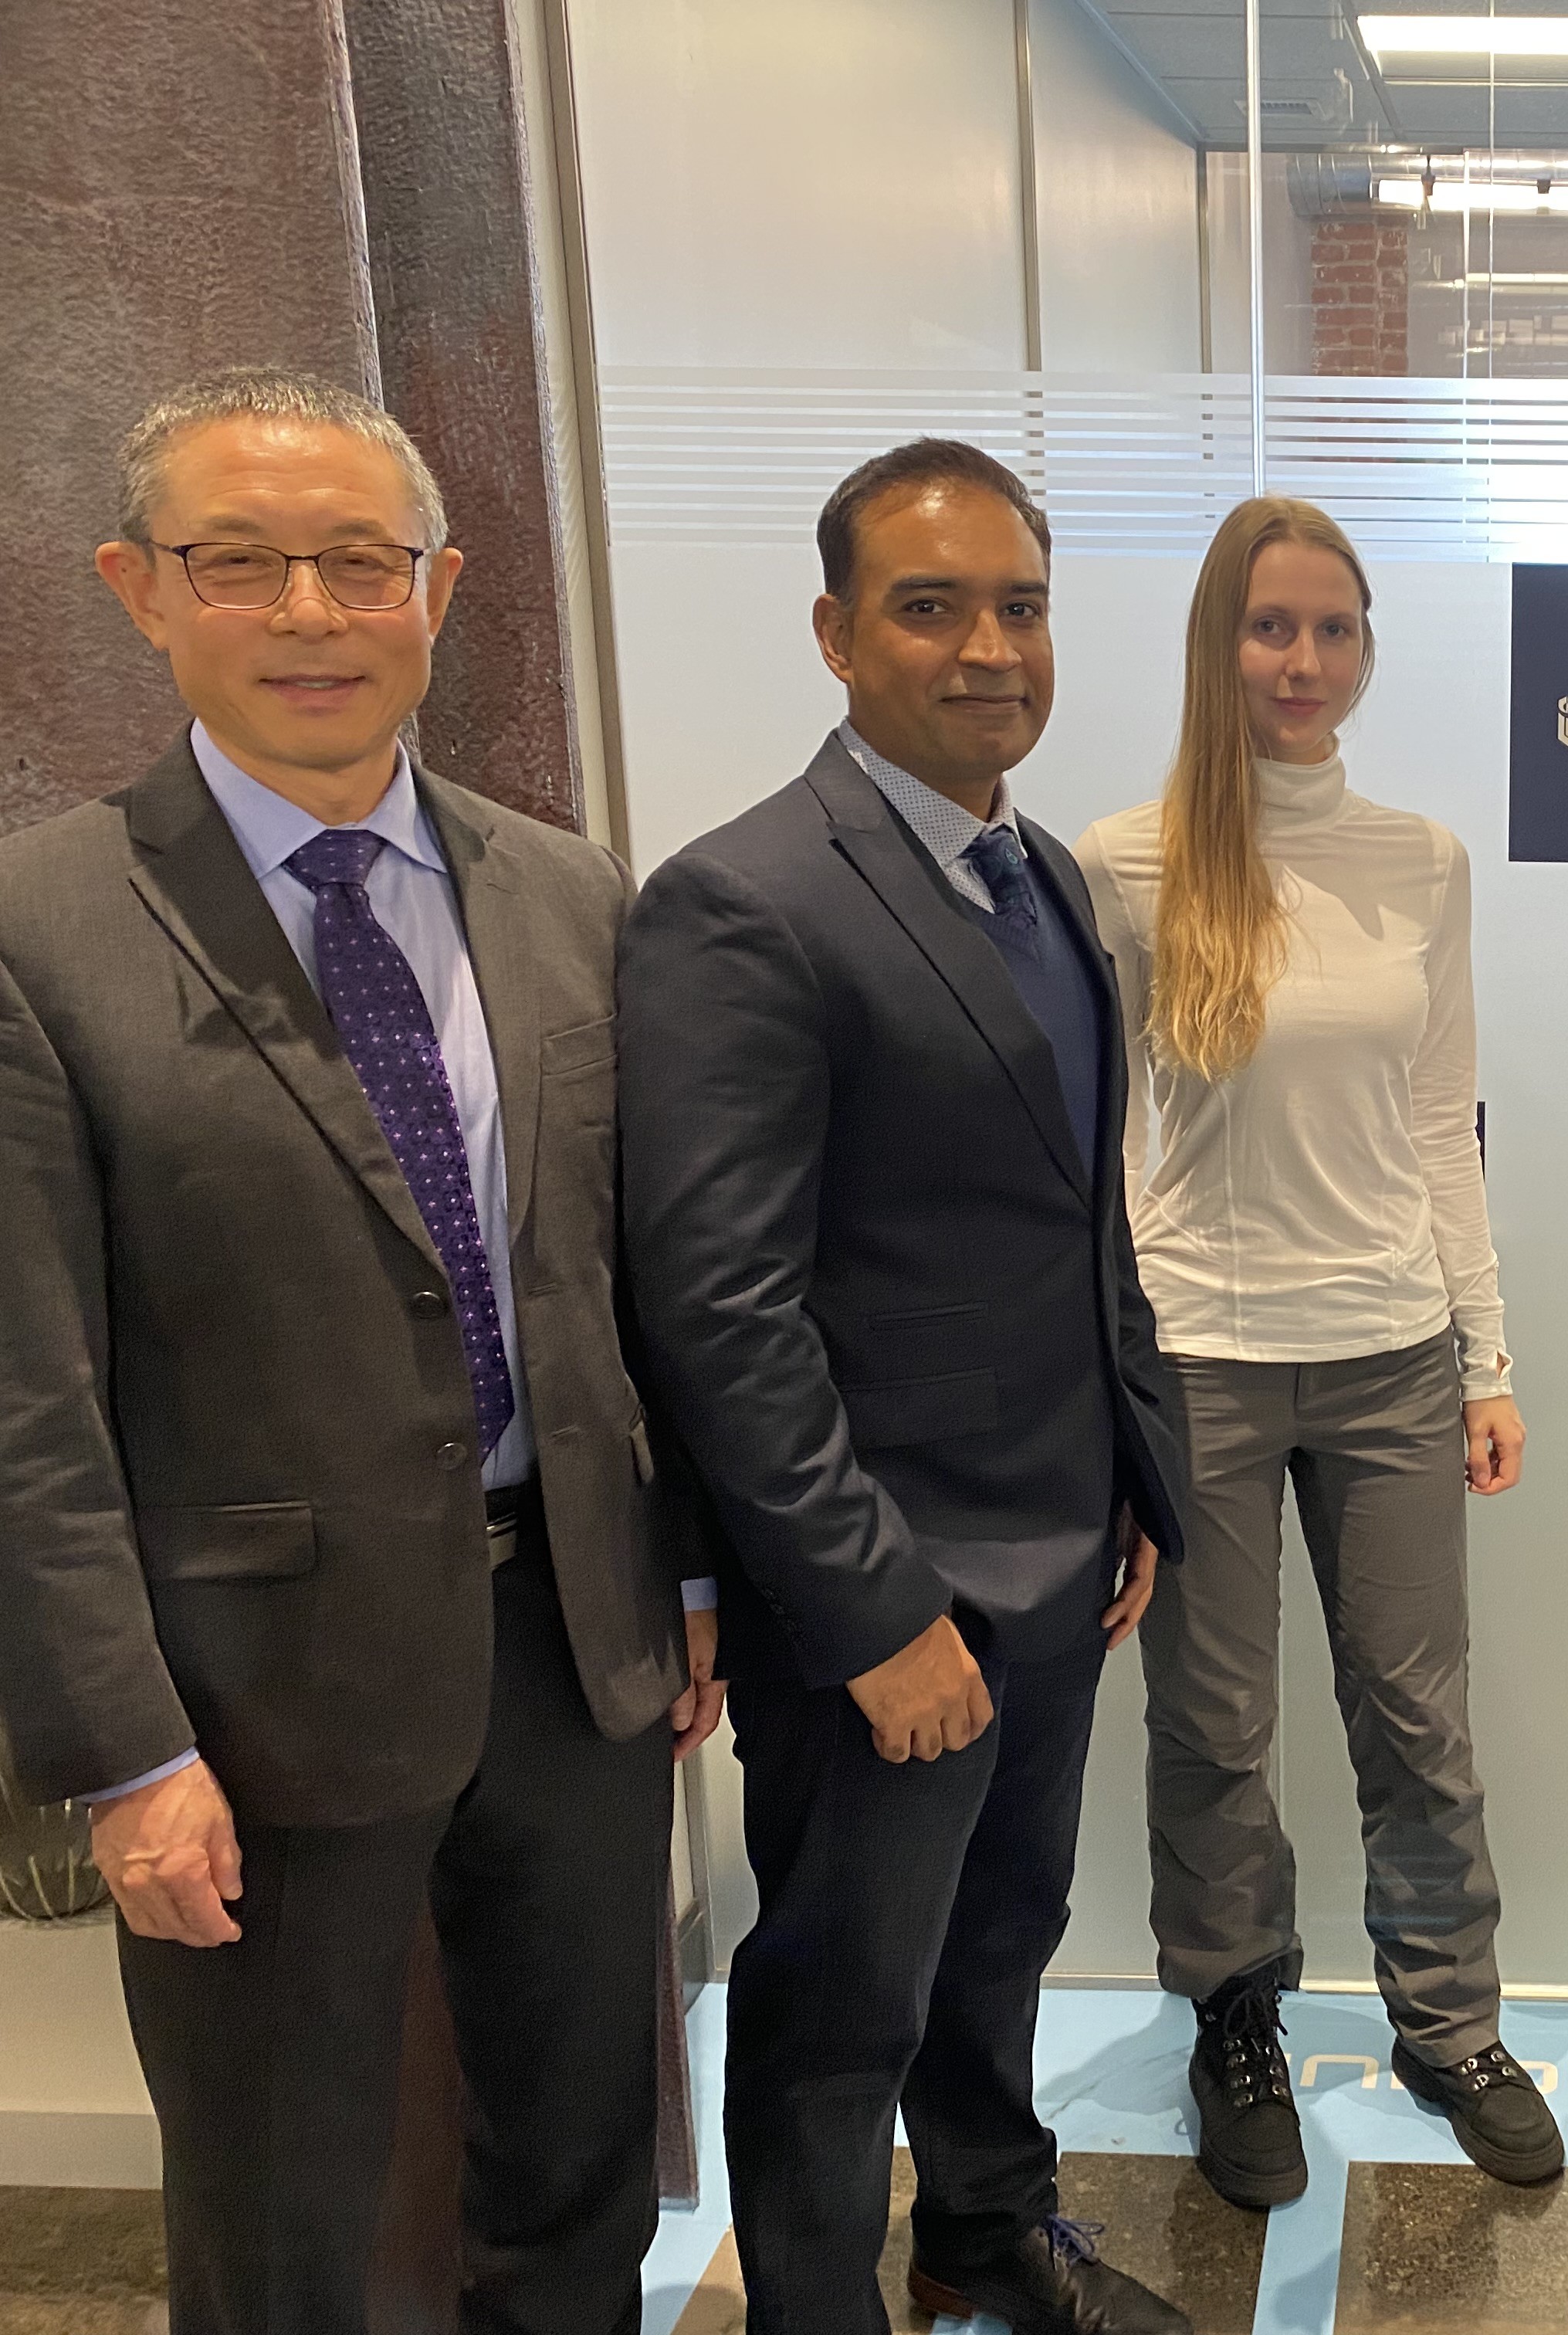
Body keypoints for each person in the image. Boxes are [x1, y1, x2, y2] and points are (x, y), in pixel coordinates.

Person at [0, 367, 720, 2335]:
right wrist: (124, 1752)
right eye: (242, 565)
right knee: (279, 2213)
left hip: (573, 1650)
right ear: (139, 591)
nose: (311, 614)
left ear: (442, 587)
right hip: (248, 1692)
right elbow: (24, 1404)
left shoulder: (566, 892)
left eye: (359, 565)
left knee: (575, 2169)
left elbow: (622, 1286)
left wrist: (685, 1570)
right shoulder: (40, 930)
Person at [618, 438, 1192, 2335]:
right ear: (836, 634)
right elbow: (721, 1307)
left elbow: (1063, 1227)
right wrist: (871, 1616)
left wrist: (1131, 1487)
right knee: (839, 2000)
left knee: (1002, 1942)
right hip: (887, 1598)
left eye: (1018, 606)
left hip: (1052, 1550)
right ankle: (812, 2310)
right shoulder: (747, 903)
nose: (988, 649)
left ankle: (982, 2233)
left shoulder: (1038, 877)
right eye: (930, 607)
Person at [1075, 495, 1558, 2207]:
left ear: (1366, 650)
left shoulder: (1420, 859)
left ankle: (1452, 2025)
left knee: (1419, 1718)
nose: (1302, 660)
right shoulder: (1120, 863)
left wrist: (1485, 1358)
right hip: (1199, 1356)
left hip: (1393, 1356)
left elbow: (1443, 1125)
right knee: (1213, 1729)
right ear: (1220, 646)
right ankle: (1235, 2018)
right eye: (1269, 628)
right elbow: (1089, 1141)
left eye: (1332, 629)